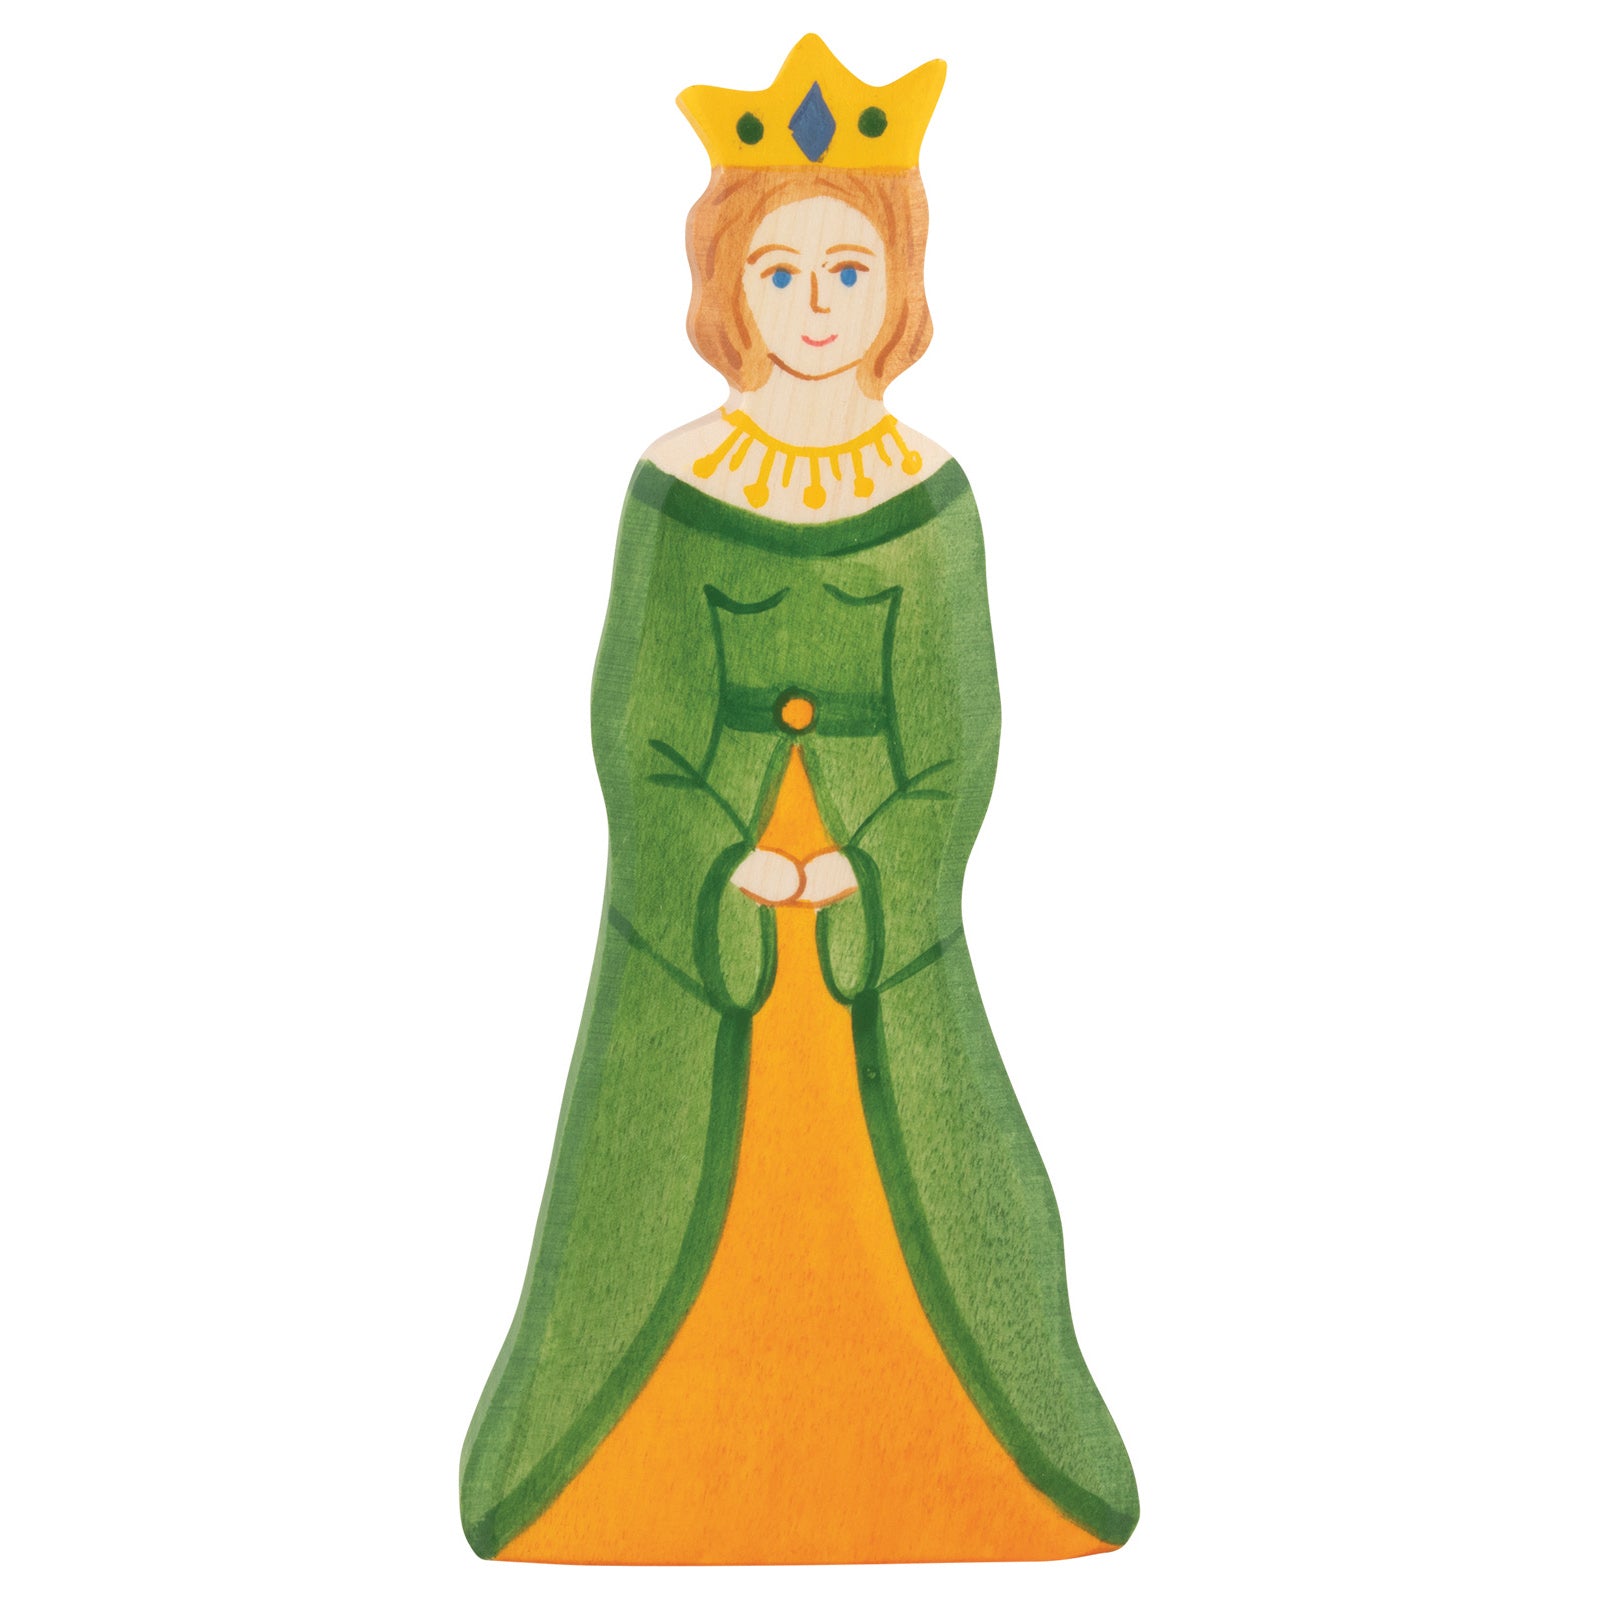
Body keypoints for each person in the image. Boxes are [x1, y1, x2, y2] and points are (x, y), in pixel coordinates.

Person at [460, 36, 1138, 1564]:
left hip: (871, 920)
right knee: (654, 1187)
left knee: (934, 1188)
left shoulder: (932, 494)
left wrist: (876, 869)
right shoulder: (677, 481)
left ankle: (955, 1463)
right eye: (779, 271)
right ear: (727, 286)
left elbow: (960, 730)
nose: (814, 303)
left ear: (898, 286)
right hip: (708, 918)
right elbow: (635, 717)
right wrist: (719, 864)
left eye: (847, 269)